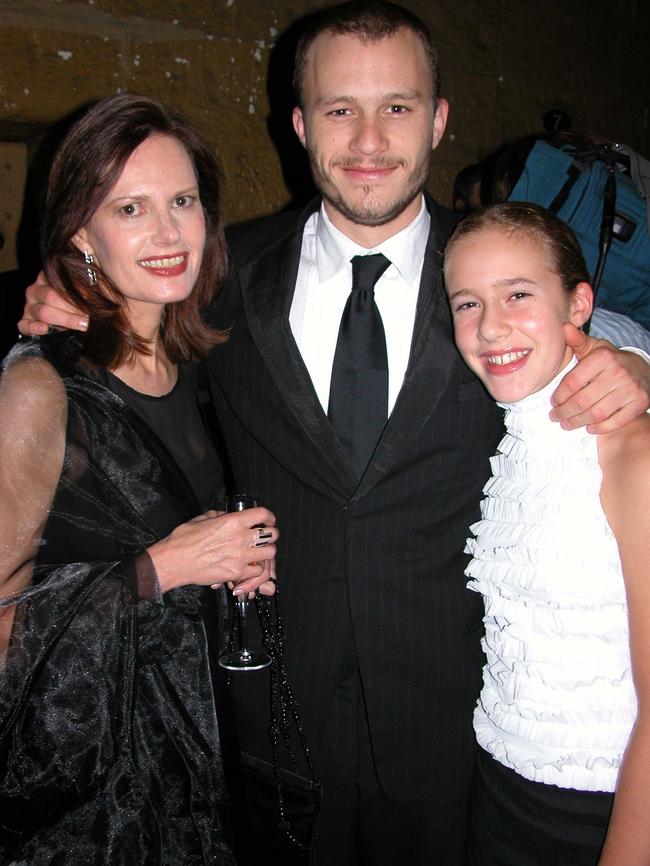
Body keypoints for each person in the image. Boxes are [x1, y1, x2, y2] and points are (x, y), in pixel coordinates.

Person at [16, 3, 650, 864]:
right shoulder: (220, 272)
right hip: (274, 732)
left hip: (460, 742)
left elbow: (591, 319)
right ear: (300, 124)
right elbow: (132, 323)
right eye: (339, 108)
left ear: (438, 120)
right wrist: (62, 286)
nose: (368, 139)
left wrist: (638, 360)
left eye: (396, 106)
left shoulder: (492, 275)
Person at [0, 93, 279, 865]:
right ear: (81, 234)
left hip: (198, 752)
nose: (168, 232)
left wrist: (236, 564)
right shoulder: (42, 387)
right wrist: (165, 568)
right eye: (131, 208)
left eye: (183, 200)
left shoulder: (194, 367)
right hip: (99, 806)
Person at [443, 201, 650, 866]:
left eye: (519, 294)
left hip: (601, 813)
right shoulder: (510, 443)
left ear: (580, 303)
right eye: (466, 303)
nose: (490, 326)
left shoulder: (634, 456)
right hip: (498, 789)